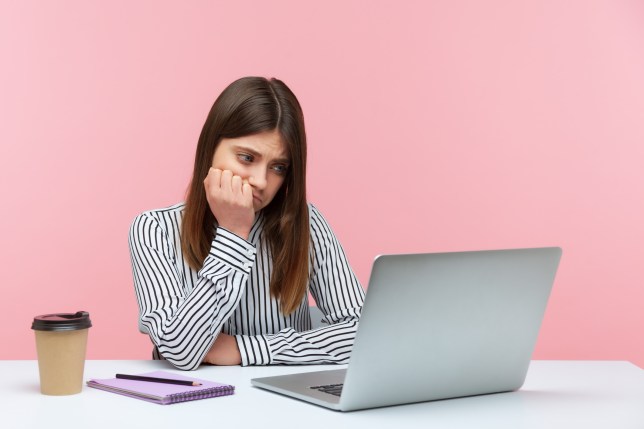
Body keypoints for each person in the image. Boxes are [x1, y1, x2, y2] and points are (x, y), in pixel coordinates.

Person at [128, 76, 365, 370]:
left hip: (286, 405)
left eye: (278, 167)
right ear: (210, 147)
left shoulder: (307, 225)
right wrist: (233, 232)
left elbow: (363, 332)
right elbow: (181, 350)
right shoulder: (155, 230)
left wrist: (245, 349)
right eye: (246, 157)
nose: (261, 181)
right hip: (190, 406)